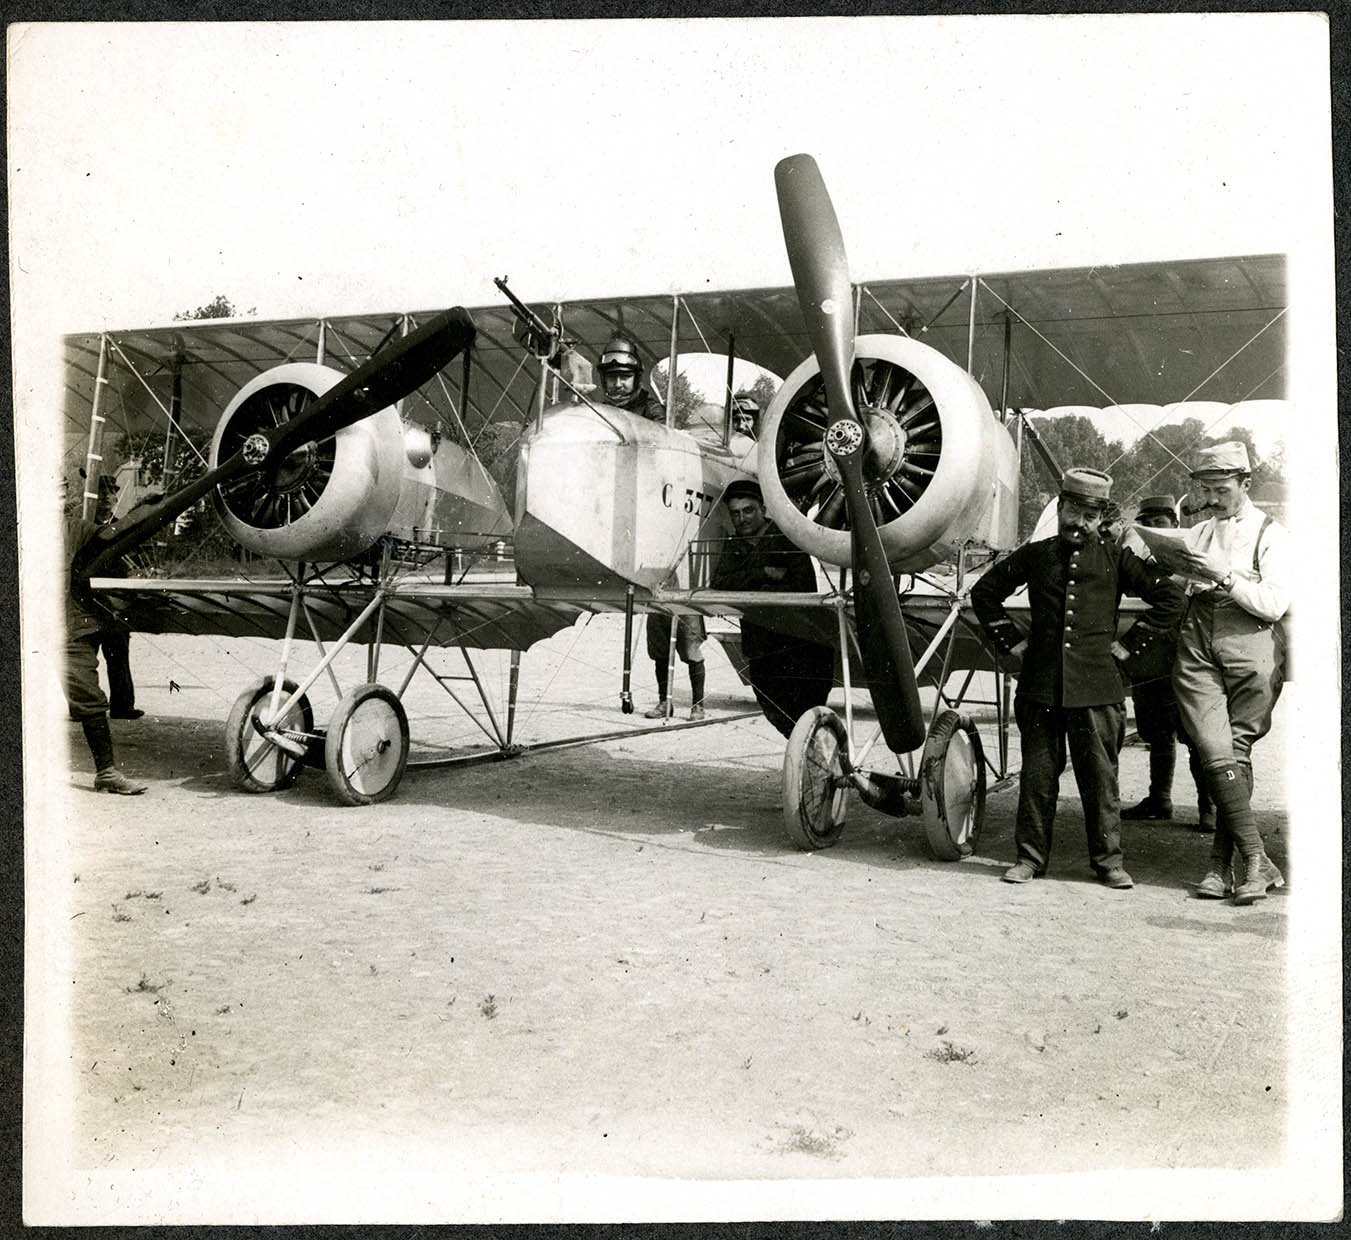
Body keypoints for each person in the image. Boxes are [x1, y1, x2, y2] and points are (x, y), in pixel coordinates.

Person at [971, 468, 1184, 889]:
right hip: (1040, 686)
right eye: (1072, 511)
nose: (1078, 523)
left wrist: (1128, 649)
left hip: (1098, 689)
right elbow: (984, 593)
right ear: (1061, 506)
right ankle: (1029, 859)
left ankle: (1108, 863)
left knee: (1101, 780)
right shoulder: (1037, 554)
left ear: (1101, 517)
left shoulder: (1117, 558)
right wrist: (1012, 643)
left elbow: (1170, 600)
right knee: (1037, 778)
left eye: (1089, 515)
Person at [1171, 442, 1289, 905]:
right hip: (1197, 639)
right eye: (1206, 491)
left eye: (1221, 490)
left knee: (1233, 752)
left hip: (1251, 641)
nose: (1213, 500)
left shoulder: (1273, 534)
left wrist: (1222, 577)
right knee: (1214, 749)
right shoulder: (1199, 531)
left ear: (1245, 483)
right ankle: (1258, 859)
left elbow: (1274, 603)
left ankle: (1223, 866)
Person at [709, 479, 833, 738]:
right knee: (776, 713)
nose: (742, 519)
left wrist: (747, 582)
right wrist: (762, 573)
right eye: (735, 513)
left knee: (808, 719)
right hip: (762, 648)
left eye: (748, 510)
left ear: (763, 509)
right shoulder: (734, 545)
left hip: (802, 647)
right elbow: (720, 582)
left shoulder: (787, 539)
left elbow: (802, 585)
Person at [1118, 495, 1213, 830]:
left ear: (1174, 525)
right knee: (1156, 732)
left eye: (1161, 524)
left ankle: (1208, 806)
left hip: (1185, 658)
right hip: (1150, 659)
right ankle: (1160, 799)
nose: (1155, 531)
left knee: (1195, 733)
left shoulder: (1195, 557)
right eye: (1148, 526)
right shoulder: (1141, 565)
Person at [62, 480, 148, 794]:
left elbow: (115, 534)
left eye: (62, 487)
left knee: (89, 698)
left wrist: (146, 509)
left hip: (68, 628)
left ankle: (106, 772)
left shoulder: (76, 529)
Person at [596, 334, 662, 422]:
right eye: (611, 377)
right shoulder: (599, 411)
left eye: (625, 377)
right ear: (604, 380)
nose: (618, 384)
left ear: (636, 379)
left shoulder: (653, 411)